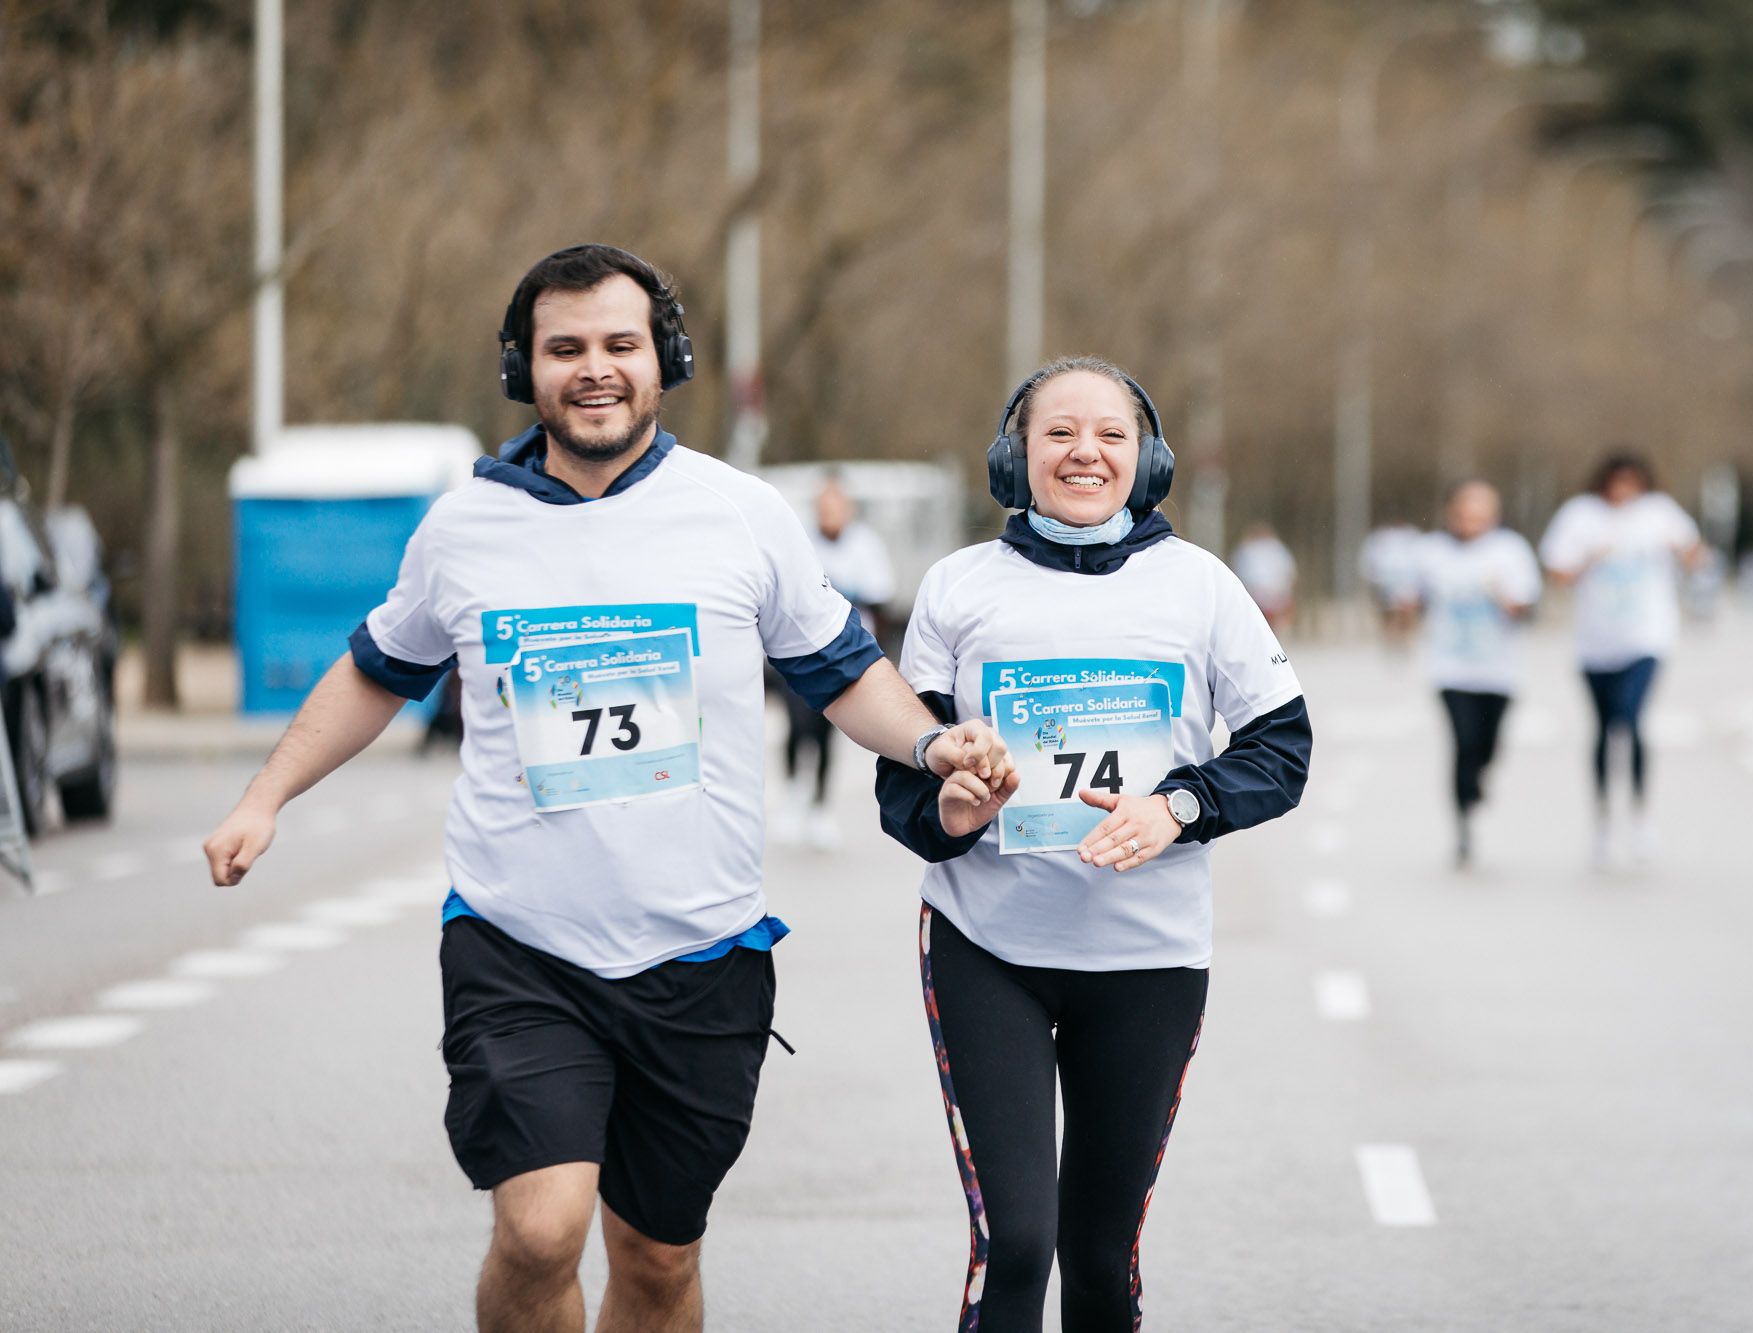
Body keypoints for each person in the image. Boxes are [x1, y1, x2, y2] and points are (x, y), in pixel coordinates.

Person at [201, 244, 1011, 1333]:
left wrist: (931, 747)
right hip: (518, 945)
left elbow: (841, 670)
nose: (595, 369)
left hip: (703, 953)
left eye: (620, 345)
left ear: (662, 358)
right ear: (522, 369)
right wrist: (266, 797)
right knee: (540, 1231)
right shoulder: (462, 527)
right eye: (564, 348)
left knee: (657, 1259)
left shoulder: (739, 514)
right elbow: (376, 671)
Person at [875, 356, 1311, 1331]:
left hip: (1147, 958)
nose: (1084, 452)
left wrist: (1180, 807)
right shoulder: (955, 588)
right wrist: (950, 812)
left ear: (1145, 459)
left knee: (1101, 1255)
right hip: (987, 948)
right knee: (1017, 1242)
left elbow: (1282, 749)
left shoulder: (1200, 587)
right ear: (1013, 456)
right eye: (1057, 432)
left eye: (1110, 435)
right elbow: (901, 783)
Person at [1539, 451, 1702, 869]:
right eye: (1617, 482)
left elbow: (1696, 556)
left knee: (1629, 720)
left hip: (1646, 636)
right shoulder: (1580, 516)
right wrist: (1591, 556)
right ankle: (1602, 820)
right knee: (1604, 728)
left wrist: (1680, 550)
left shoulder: (1659, 513)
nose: (1624, 492)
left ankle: (1641, 814)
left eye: (1632, 483)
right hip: (1595, 643)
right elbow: (1556, 574)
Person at [1403, 480, 1541, 867]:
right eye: (1465, 512)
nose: (1471, 521)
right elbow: (1413, 599)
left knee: (1488, 746)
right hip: (1450, 668)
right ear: (1452, 512)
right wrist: (1405, 609)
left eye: (1481, 513)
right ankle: (1463, 823)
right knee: (1462, 743)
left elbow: (1528, 608)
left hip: (1499, 670)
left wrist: (1505, 599)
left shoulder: (1510, 552)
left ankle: (1478, 781)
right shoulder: (1431, 552)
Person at [776, 472, 897, 850]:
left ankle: (820, 808)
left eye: (837, 505)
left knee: (828, 730)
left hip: (843, 653)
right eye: (824, 505)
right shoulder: (800, 541)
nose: (830, 512)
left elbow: (882, 597)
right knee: (797, 725)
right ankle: (795, 790)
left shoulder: (865, 545)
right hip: (797, 652)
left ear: (848, 509)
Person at [1230, 520, 1298, 631]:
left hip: (1271, 592)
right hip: (1261, 592)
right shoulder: (1248, 550)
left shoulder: (1274, 549)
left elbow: (1287, 571)